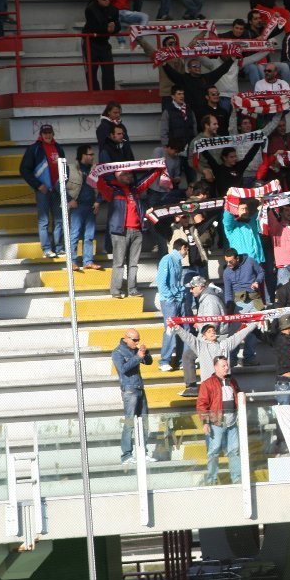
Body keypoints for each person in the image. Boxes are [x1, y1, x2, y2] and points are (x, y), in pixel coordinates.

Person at [101, 169, 158, 298]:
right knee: (119, 263)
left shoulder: (135, 189)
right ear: (117, 175)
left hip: (137, 231)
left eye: (129, 173)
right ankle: (116, 290)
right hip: (120, 231)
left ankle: (132, 289)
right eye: (124, 174)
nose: (128, 176)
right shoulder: (111, 190)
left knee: (133, 264)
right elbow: (99, 182)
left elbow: (148, 179)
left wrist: (159, 168)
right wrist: (96, 172)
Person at [19, 124, 65, 258]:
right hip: (42, 190)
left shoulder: (59, 148)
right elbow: (24, 170)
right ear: (40, 134)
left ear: (53, 133)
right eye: (45, 133)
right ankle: (46, 249)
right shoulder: (34, 149)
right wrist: (38, 185)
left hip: (57, 189)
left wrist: (62, 183)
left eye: (49, 132)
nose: (47, 135)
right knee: (44, 221)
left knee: (59, 220)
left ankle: (59, 248)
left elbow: (64, 167)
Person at [196, 356, 242, 485]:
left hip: (232, 422)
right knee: (214, 451)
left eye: (227, 365)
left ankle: (237, 479)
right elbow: (202, 404)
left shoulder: (232, 381)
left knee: (234, 451)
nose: (226, 368)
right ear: (215, 367)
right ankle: (212, 480)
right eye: (223, 366)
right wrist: (205, 422)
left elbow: (238, 395)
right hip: (216, 421)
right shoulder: (207, 383)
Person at [112, 329, 156, 465]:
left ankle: (143, 452)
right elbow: (123, 369)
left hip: (139, 388)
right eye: (134, 340)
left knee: (144, 422)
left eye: (138, 340)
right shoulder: (117, 352)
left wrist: (145, 352)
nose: (136, 343)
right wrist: (137, 356)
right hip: (129, 390)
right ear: (126, 338)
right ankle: (126, 455)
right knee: (129, 423)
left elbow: (149, 362)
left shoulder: (134, 350)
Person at [179, 275, 226, 397]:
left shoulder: (209, 300)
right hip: (208, 338)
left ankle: (192, 387)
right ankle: (194, 386)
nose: (190, 290)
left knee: (188, 355)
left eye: (192, 287)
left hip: (213, 340)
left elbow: (211, 325)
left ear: (200, 287)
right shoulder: (207, 298)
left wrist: (199, 326)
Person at [222, 249, 265, 367]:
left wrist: (257, 281)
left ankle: (249, 358)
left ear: (237, 258)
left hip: (254, 300)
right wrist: (229, 305)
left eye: (231, 261)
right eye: (226, 262)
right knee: (235, 332)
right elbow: (228, 292)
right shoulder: (226, 272)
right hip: (238, 303)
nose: (229, 264)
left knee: (252, 331)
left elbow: (261, 272)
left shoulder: (250, 262)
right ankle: (232, 359)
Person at [64, 145, 102, 271]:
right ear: (82, 155)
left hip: (91, 206)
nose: (92, 157)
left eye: (92, 155)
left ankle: (88, 261)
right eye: (90, 154)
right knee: (74, 234)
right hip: (78, 206)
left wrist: (98, 202)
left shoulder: (95, 169)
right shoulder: (70, 167)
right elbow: (59, 185)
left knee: (89, 235)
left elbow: (102, 186)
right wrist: (70, 200)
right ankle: (72, 261)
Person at [157, 239, 190, 372]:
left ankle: (183, 360)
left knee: (185, 329)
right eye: (186, 249)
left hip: (179, 299)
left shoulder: (178, 261)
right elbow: (161, 282)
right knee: (170, 330)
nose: (187, 252)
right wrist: (170, 297)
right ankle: (164, 360)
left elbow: (176, 282)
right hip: (170, 300)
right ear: (182, 247)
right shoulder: (168, 259)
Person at [82, 0, 121, 91]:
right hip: (90, 42)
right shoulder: (90, 9)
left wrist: (113, 28)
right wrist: (107, 29)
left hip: (103, 42)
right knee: (91, 70)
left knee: (109, 69)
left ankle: (109, 93)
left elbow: (118, 25)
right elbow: (93, 26)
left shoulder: (113, 9)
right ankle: (94, 93)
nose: (107, 0)